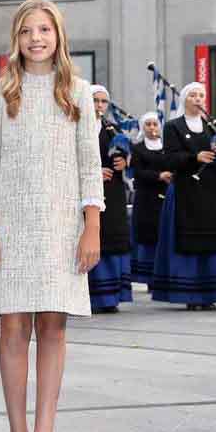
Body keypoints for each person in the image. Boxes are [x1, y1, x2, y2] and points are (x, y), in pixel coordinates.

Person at [0, 0, 104, 432]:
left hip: (62, 227)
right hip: (10, 227)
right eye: (27, 31)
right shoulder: (1, 91)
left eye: (44, 30)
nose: (36, 39)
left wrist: (92, 226)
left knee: (53, 327)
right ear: (16, 39)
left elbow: (92, 169)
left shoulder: (79, 93)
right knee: (12, 329)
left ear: (59, 36)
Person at [151, 82, 216, 311]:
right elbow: (168, 159)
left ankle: (211, 293)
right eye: (193, 95)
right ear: (184, 99)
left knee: (213, 241)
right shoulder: (173, 126)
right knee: (188, 241)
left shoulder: (213, 127)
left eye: (201, 95)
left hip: (212, 193)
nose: (198, 99)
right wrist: (195, 157)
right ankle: (191, 294)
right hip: (186, 192)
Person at [87, 85, 132, 313]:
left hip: (112, 192)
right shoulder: (77, 127)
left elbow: (125, 157)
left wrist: (125, 162)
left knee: (111, 238)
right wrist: (94, 172)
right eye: (95, 101)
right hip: (84, 193)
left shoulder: (112, 129)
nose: (100, 106)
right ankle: (90, 297)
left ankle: (111, 296)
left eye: (104, 102)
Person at [130, 113, 170, 287]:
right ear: (142, 127)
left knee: (163, 233)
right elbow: (137, 172)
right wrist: (158, 176)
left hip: (165, 196)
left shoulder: (167, 147)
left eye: (155, 124)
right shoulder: (138, 149)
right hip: (146, 198)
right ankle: (148, 276)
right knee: (148, 235)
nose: (152, 128)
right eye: (148, 124)